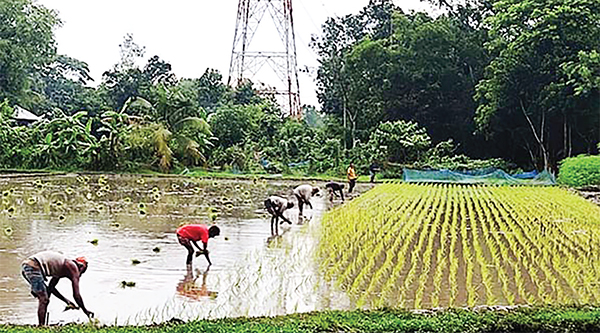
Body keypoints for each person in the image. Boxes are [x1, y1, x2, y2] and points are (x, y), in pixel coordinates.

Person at [21, 250, 93, 326]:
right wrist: (86, 311)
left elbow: (51, 288)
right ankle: (41, 326)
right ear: (81, 266)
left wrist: (67, 301)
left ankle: (42, 324)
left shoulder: (62, 266)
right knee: (44, 298)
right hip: (33, 267)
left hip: (28, 266)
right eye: (82, 271)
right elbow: (76, 295)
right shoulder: (72, 267)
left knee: (44, 297)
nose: (79, 274)